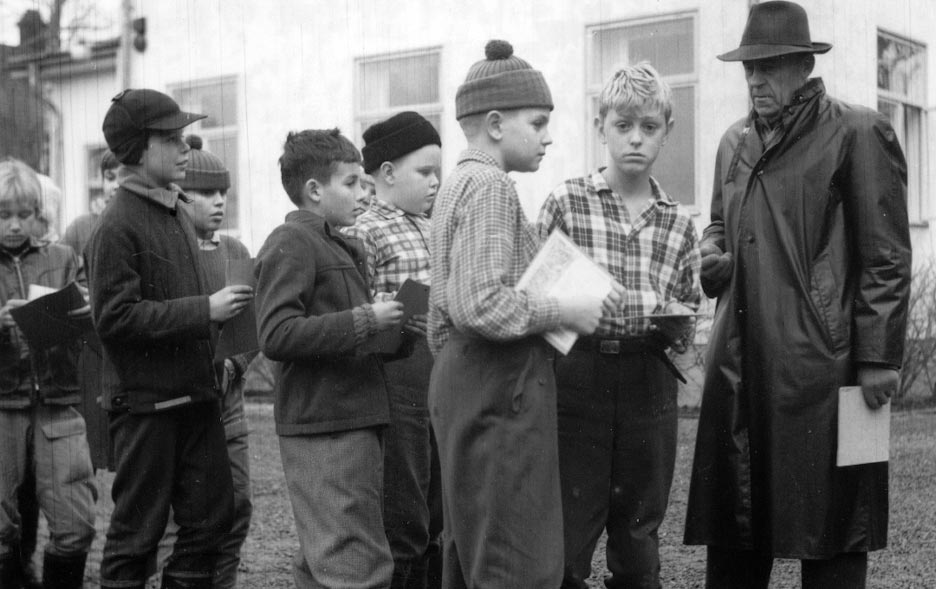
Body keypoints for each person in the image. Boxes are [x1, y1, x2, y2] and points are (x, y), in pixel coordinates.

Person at [683, 2, 912, 588]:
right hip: (740, 363)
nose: (755, 80)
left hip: (827, 369)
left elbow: (886, 254)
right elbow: (718, 224)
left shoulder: (858, 131)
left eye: (769, 66)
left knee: (836, 529)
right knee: (736, 528)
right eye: (748, 68)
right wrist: (711, 254)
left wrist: (879, 357)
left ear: (804, 66)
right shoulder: (733, 142)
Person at [427, 39, 619, 588]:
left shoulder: (458, 184)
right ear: (494, 124)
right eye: (537, 123)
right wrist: (566, 308)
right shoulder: (489, 186)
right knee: (514, 561)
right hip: (496, 383)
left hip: (470, 380)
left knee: (475, 550)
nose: (547, 136)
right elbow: (478, 303)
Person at [537, 62, 700, 589]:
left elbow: (688, 309)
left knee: (638, 538)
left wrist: (674, 322)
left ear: (666, 132)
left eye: (649, 128)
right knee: (566, 538)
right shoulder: (567, 203)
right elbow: (535, 296)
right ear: (600, 125)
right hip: (577, 377)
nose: (635, 139)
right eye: (623, 125)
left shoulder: (678, 222)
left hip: (647, 383)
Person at [87, 88, 253, 589]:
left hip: (197, 397)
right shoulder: (116, 225)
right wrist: (206, 310)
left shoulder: (177, 209)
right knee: (136, 539)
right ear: (137, 149)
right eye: (172, 139)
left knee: (212, 520)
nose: (186, 148)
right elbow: (115, 318)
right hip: (147, 408)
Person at [254, 128, 404, 588]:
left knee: (328, 558)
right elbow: (276, 334)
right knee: (352, 563)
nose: (364, 193)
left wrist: (394, 328)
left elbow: (345, 334)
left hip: (349, 417)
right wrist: (366, 318)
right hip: (327, 424)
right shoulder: (292, 240)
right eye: (352, 182)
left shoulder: (340, 243)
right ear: (315, 190)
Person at [148, 135, 255, 589]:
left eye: (223, 193)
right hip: (181, 403)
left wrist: (235, 365)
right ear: (177, 195)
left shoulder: (234, 252)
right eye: (206, 192)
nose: (218, 202)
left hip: (228, 404)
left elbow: (250, 327)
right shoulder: (163, 254)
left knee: (238, 504)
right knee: (183, 518)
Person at [342, 111, 444, 589]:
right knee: (406, 503)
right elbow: (355, 311)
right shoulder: (364, 231)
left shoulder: (434, 225)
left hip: (441, 371)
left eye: (438, 171)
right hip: (396, 375)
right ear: (386, 173)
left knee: (439, 499)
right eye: (424, 172)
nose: (435, 182)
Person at [0, 158, 97, 589]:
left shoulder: (62, 257)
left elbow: (91, 316)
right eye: (3, 215)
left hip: (57, 403)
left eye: (24, 214)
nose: (14, 225)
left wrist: (86, 313)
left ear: (39, 213)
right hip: (2, 407)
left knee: (76, 523)